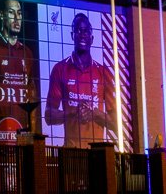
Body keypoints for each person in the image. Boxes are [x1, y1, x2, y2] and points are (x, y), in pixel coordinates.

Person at [45, 13, 117, 148]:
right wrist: (74, 112)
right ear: (72, 35)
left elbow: (116, 124)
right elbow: (49, 116)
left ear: (92, 38)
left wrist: (94, 113)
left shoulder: (104, 73)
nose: (82, 34)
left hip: (97, 153)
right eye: (78, 30)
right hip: (70, 153)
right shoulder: (60, 69)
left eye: (86, 31)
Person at [0, 0, 38, 137]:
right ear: (1, 14)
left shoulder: (27, 52)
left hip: (21, 128)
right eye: (12, 13)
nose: (17, 18)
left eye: (19, 13)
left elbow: (31, 93)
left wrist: (33, 130)